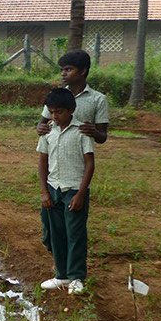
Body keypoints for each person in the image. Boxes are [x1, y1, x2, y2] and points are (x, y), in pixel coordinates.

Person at [37, 49, 108, 255]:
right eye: (62, 70)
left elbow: (103, 136)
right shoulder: (58, 96)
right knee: (49, 219)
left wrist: (94, 131)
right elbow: (42, 124)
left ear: (83, 71)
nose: (63, 73)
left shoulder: (97, 100)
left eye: (68, 69)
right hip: (54, 164)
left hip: (77, 164)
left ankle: (71, 264)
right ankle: (55, 247)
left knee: (73, 220)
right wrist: (39, 128)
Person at [37, 88, 95, 294]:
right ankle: (61, 275)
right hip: (53, 188)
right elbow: (42, 162)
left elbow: (90, 164)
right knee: (56, 234)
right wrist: (44, 192)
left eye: (59, 112)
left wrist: (81, 193)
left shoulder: (82, 132)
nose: (54, 116)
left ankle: (76, 277)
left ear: (71, 110)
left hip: (74, 190)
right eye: (51, 112)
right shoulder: (47, 132)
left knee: (75, 234)